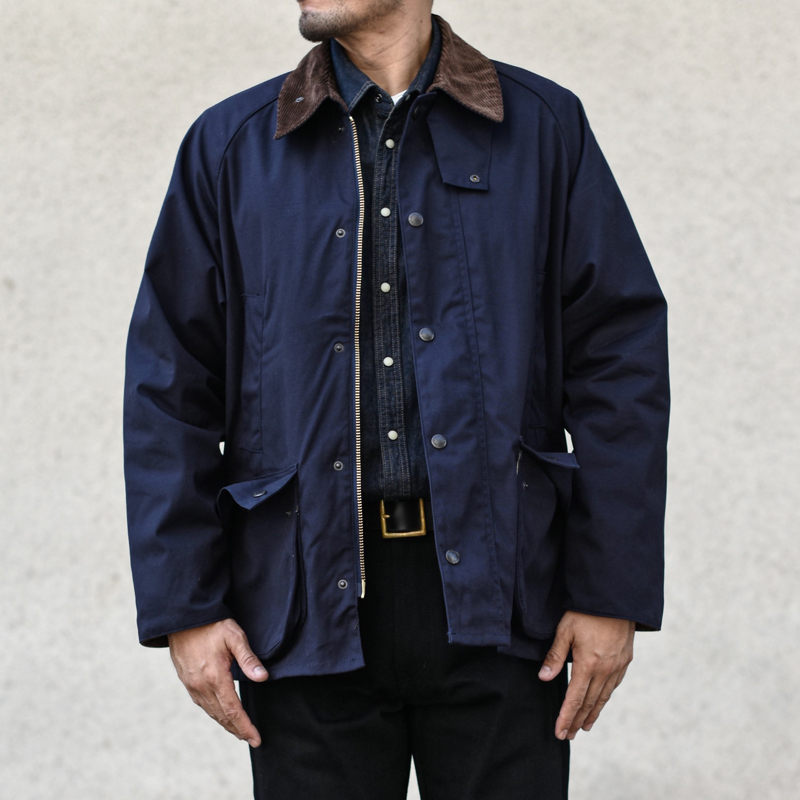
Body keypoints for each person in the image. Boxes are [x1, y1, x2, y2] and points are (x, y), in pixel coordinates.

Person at [123, 1, 669, 797]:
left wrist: (610, 590)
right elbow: (168, 384)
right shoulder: (232, 145)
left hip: (507, 598)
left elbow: (619, 363)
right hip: (302, 604)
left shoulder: (543, 129)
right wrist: (187, 606)